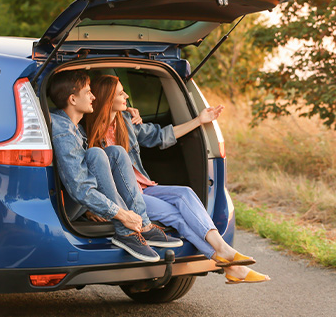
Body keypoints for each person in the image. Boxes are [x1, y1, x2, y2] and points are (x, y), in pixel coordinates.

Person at [82, 74, 271, 284]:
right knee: (177, 216)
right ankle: (229, 261)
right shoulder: (85, 130)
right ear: (107, 99)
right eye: (120, 93)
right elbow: (81, 177)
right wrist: (90, 207)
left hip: (144, 186)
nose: (126, 95)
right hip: (126, 198)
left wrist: (200, 120)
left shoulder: (126, 121)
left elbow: (161, 136)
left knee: (185, 193)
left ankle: (224, 252)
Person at [44, 70, 183, 262]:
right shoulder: (63, 131)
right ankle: (126, 232)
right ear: (73, 99)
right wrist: (123, 215)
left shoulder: (75, 127)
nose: (93, 96)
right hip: (67, 206)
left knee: (114, 152)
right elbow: (80, 190)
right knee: (96, 153)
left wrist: (126, 111)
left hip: (85, 200)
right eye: (88, 92)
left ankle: (143, 226)